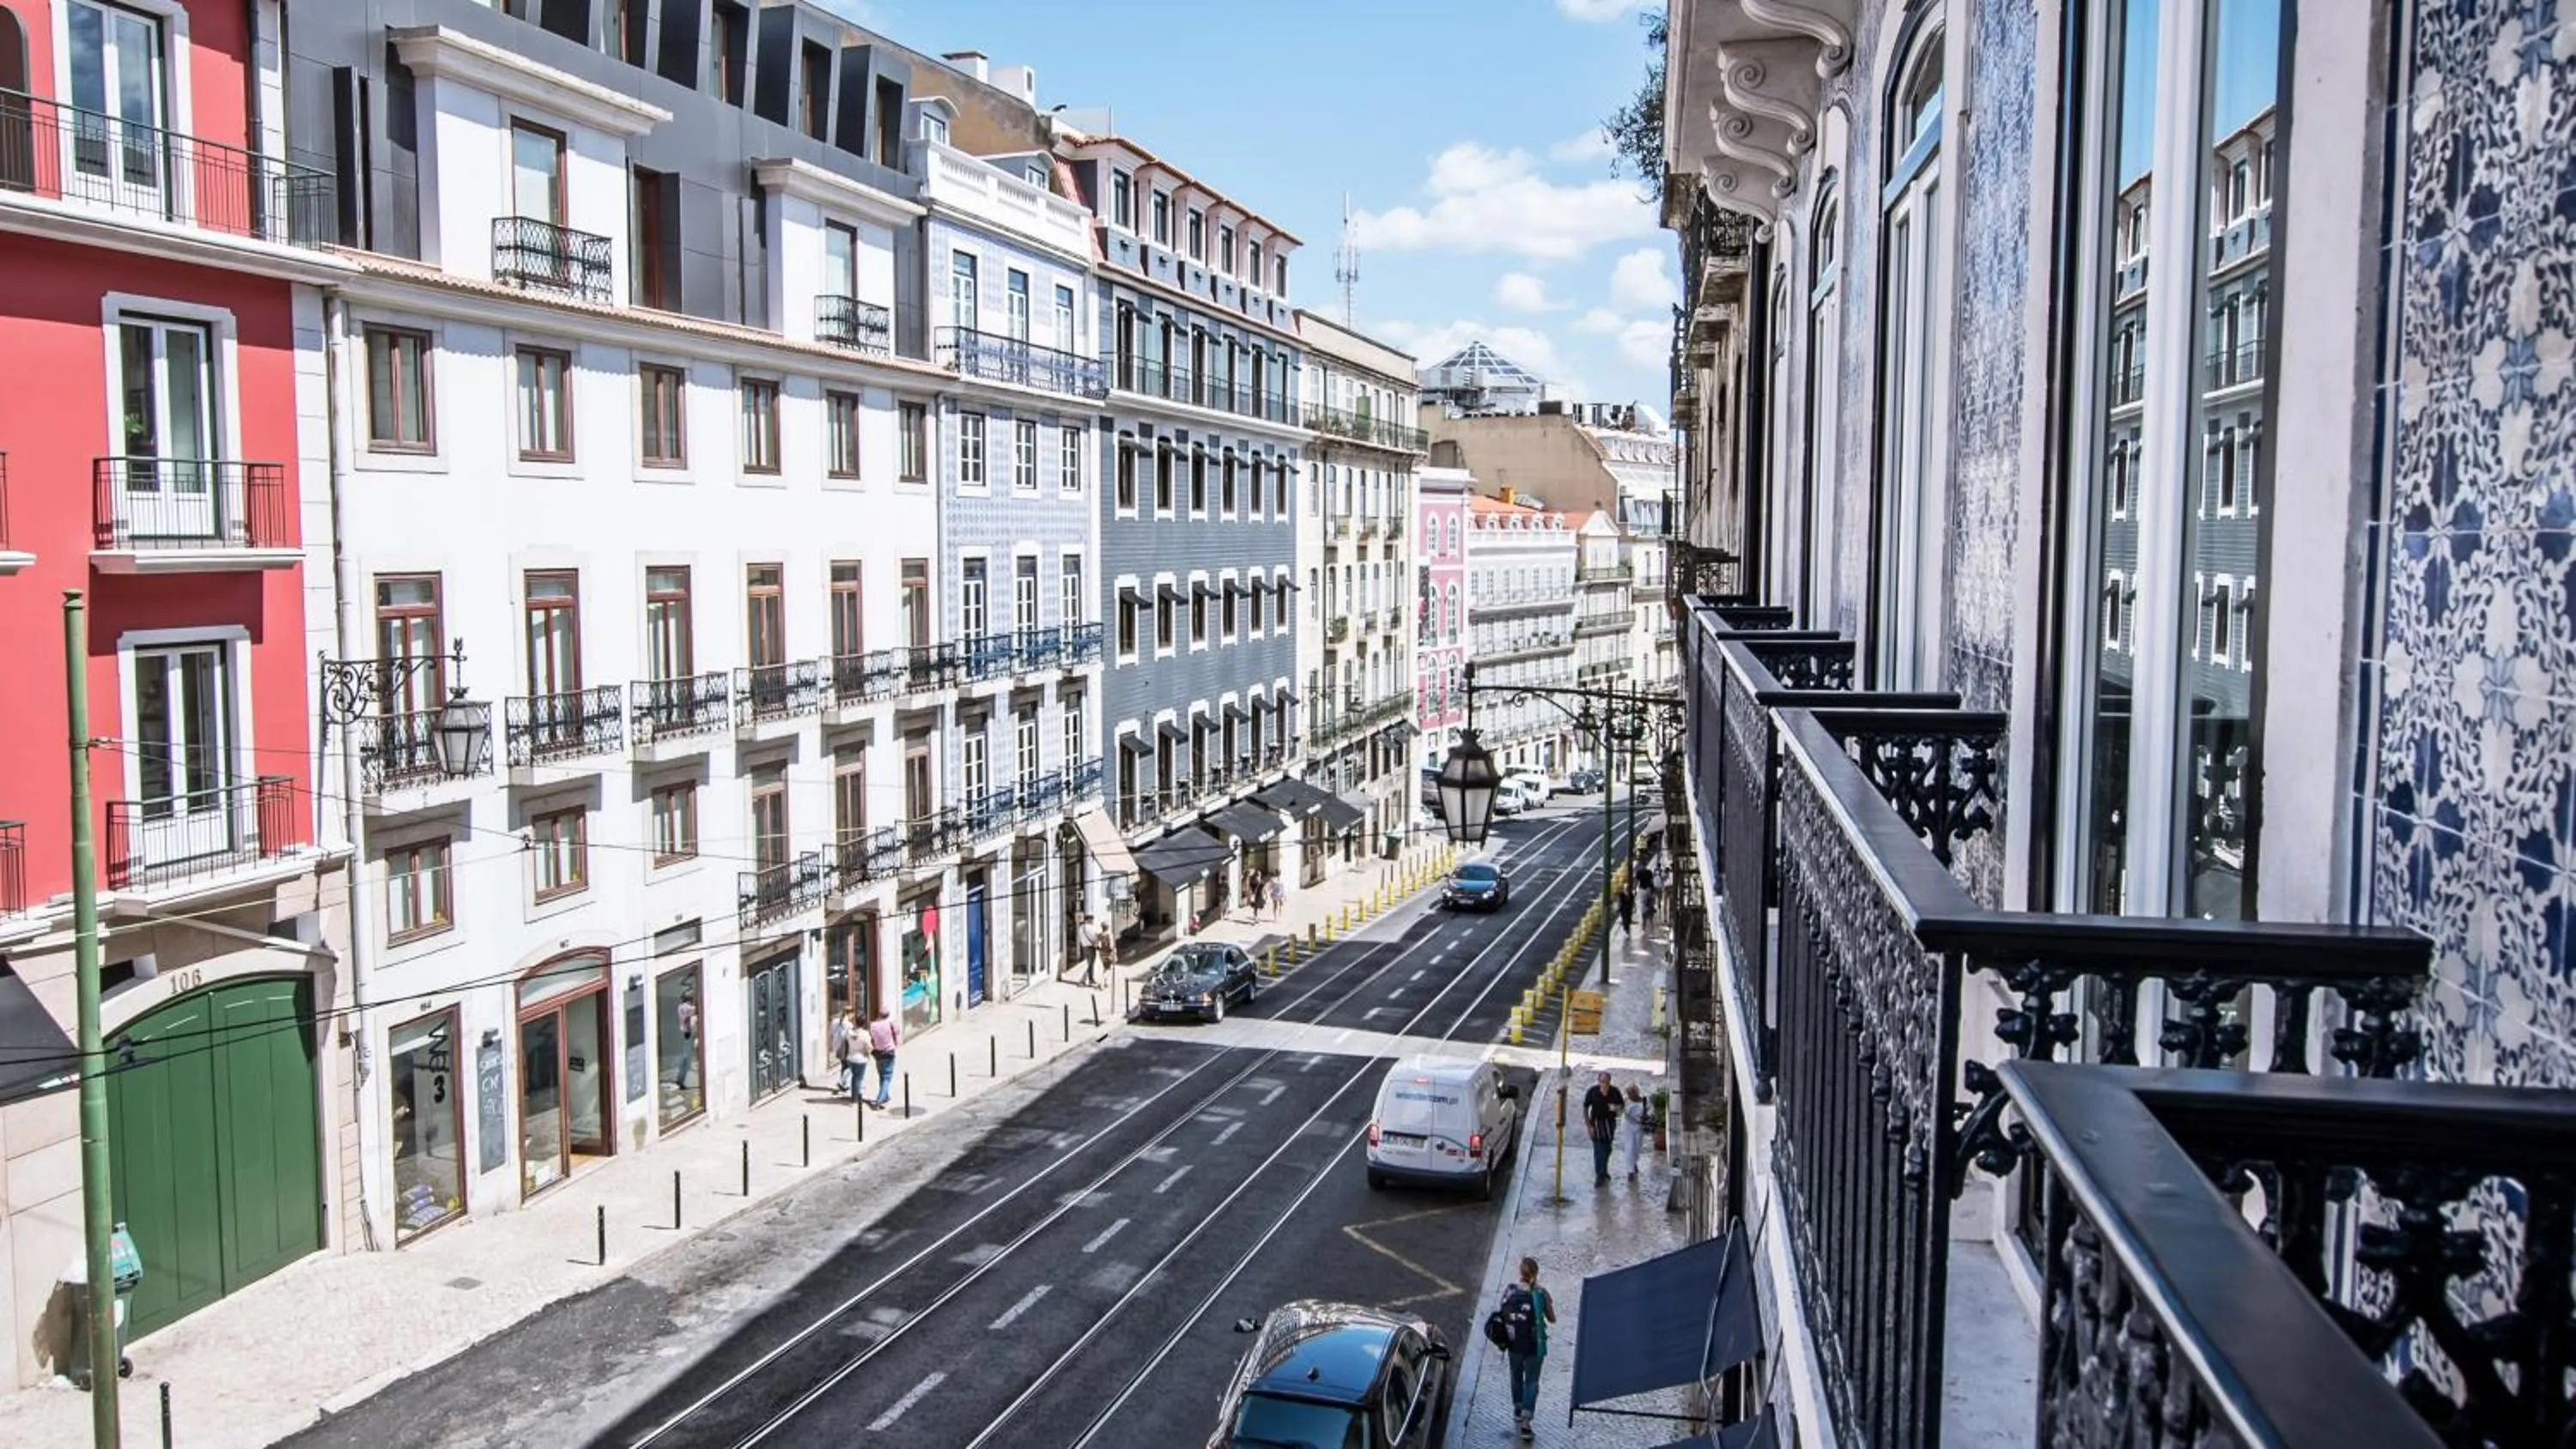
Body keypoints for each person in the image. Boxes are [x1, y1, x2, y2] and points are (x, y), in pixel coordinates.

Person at [1498, 1256, 1558, 1438]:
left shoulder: (1510, 1290)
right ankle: (1526, 1421)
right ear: (1536, 1273)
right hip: (1534, 1345)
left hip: (1514, 1343)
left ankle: (1517, 1408)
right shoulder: (1541, 1293)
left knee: (1516, 1376)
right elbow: (1552, 1319)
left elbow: (1502, 1313)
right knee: (1532, 1381)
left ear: (1520, 1272)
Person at [1582, 1070, 1621, 1185]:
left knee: (1608, 1149)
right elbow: (1585, 1107)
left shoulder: (1615, 1092)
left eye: (1606, 1082)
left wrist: (1616, 1108)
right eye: (1602, 1081)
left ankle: (1604, 1170)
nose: (1604, 1084)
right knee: (1599, 1150)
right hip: (1596, 1123)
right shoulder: (1592, 1091)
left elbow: (1621, 1107)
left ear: (1610, 1082)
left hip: (1609, 1124)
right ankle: (1600, 1175)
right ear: (1599, 1081)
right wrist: (1589, 1126)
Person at [866, 1007, 901, 1108]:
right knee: (887, 1077)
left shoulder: (873, 1025)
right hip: (889, 1052)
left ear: (879, 1014)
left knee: (882, 1076)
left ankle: (885, 1096)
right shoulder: (890, 1024)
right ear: (888, 1015)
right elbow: (897, 1032)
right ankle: (880, 1099)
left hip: (878, 1053)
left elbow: (871, 1037)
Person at [829, 1006, 862, 1100]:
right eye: (852, 1014)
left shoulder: (834, 1021)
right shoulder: (848, 1025)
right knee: (850, 1067)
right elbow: (851, 1036)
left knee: (844, 1065)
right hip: (846, 1047)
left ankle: (844, 1084)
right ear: (850, 1014)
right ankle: (842, 1083)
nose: (853, 1017)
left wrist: (831, 1045)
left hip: (838, 1047)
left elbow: (831, 1034)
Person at [1620, 1083, 1646, 1180]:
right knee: (1629, 1147)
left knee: (1637, 1147)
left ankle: (1634, 1162)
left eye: (1632, 1093)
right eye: (1629, 1093)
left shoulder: (1644, 1101)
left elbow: (1650, 1113)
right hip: (1627, 1126)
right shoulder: (1626, 1101)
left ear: (1637, 1092)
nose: (1631, 1095)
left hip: (1639, 1126)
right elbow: (1619, 1110)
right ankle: (1630, 1171)